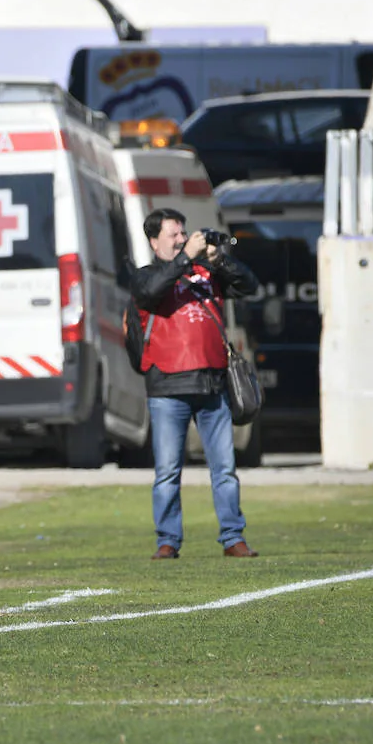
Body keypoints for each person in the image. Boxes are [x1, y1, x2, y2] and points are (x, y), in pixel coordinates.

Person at [131, 208, 261, 560]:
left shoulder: (207, 273)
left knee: (224, 470)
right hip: (167, 389)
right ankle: (167, 541)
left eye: (183, 233)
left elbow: (250, 286)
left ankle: (233, 537)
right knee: (167, 473)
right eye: (173, 234)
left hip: (212, 385)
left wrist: (219, 261)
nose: (182, 239)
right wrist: (185, 259)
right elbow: (151, 292)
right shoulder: (146, 276)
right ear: (154, 240)